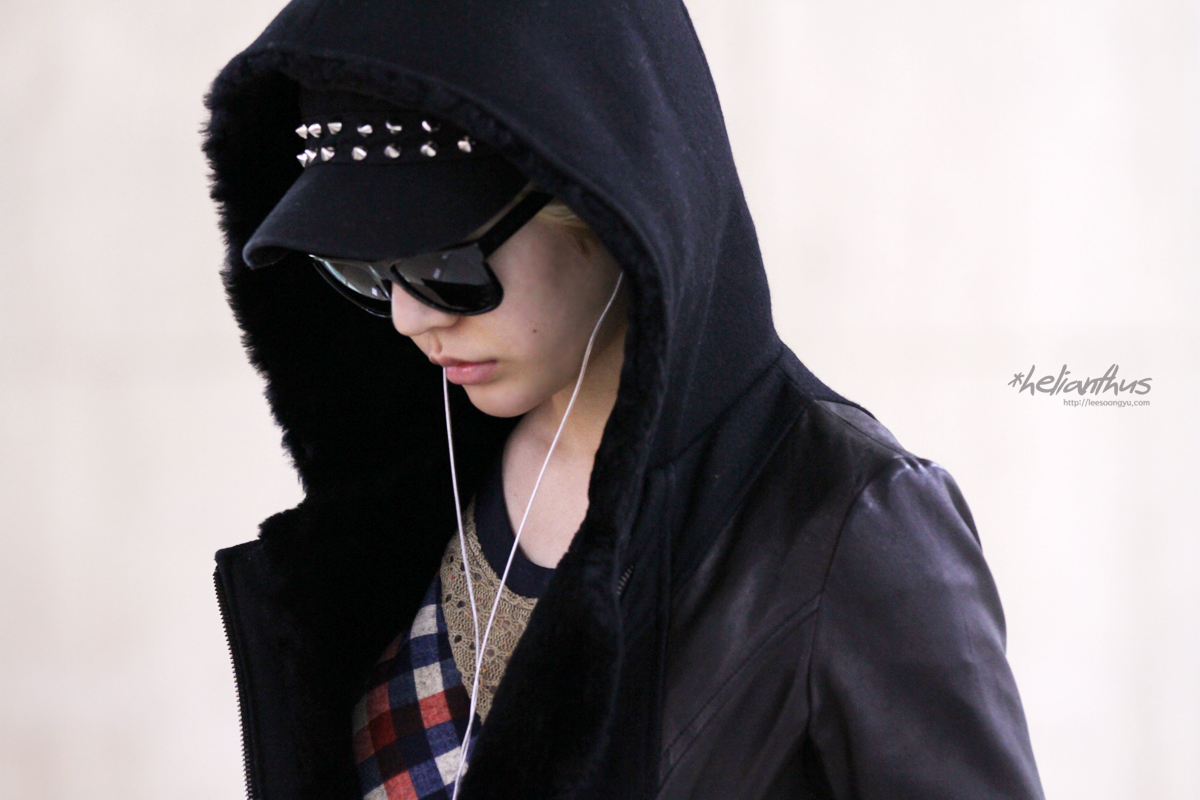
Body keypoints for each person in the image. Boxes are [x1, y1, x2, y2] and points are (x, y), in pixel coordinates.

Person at [206, 2, 1045, 799]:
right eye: (359, 268)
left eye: (442, 265)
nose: (408, 317)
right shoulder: (417, 471)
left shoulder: (849, 522)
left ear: (599, 206)